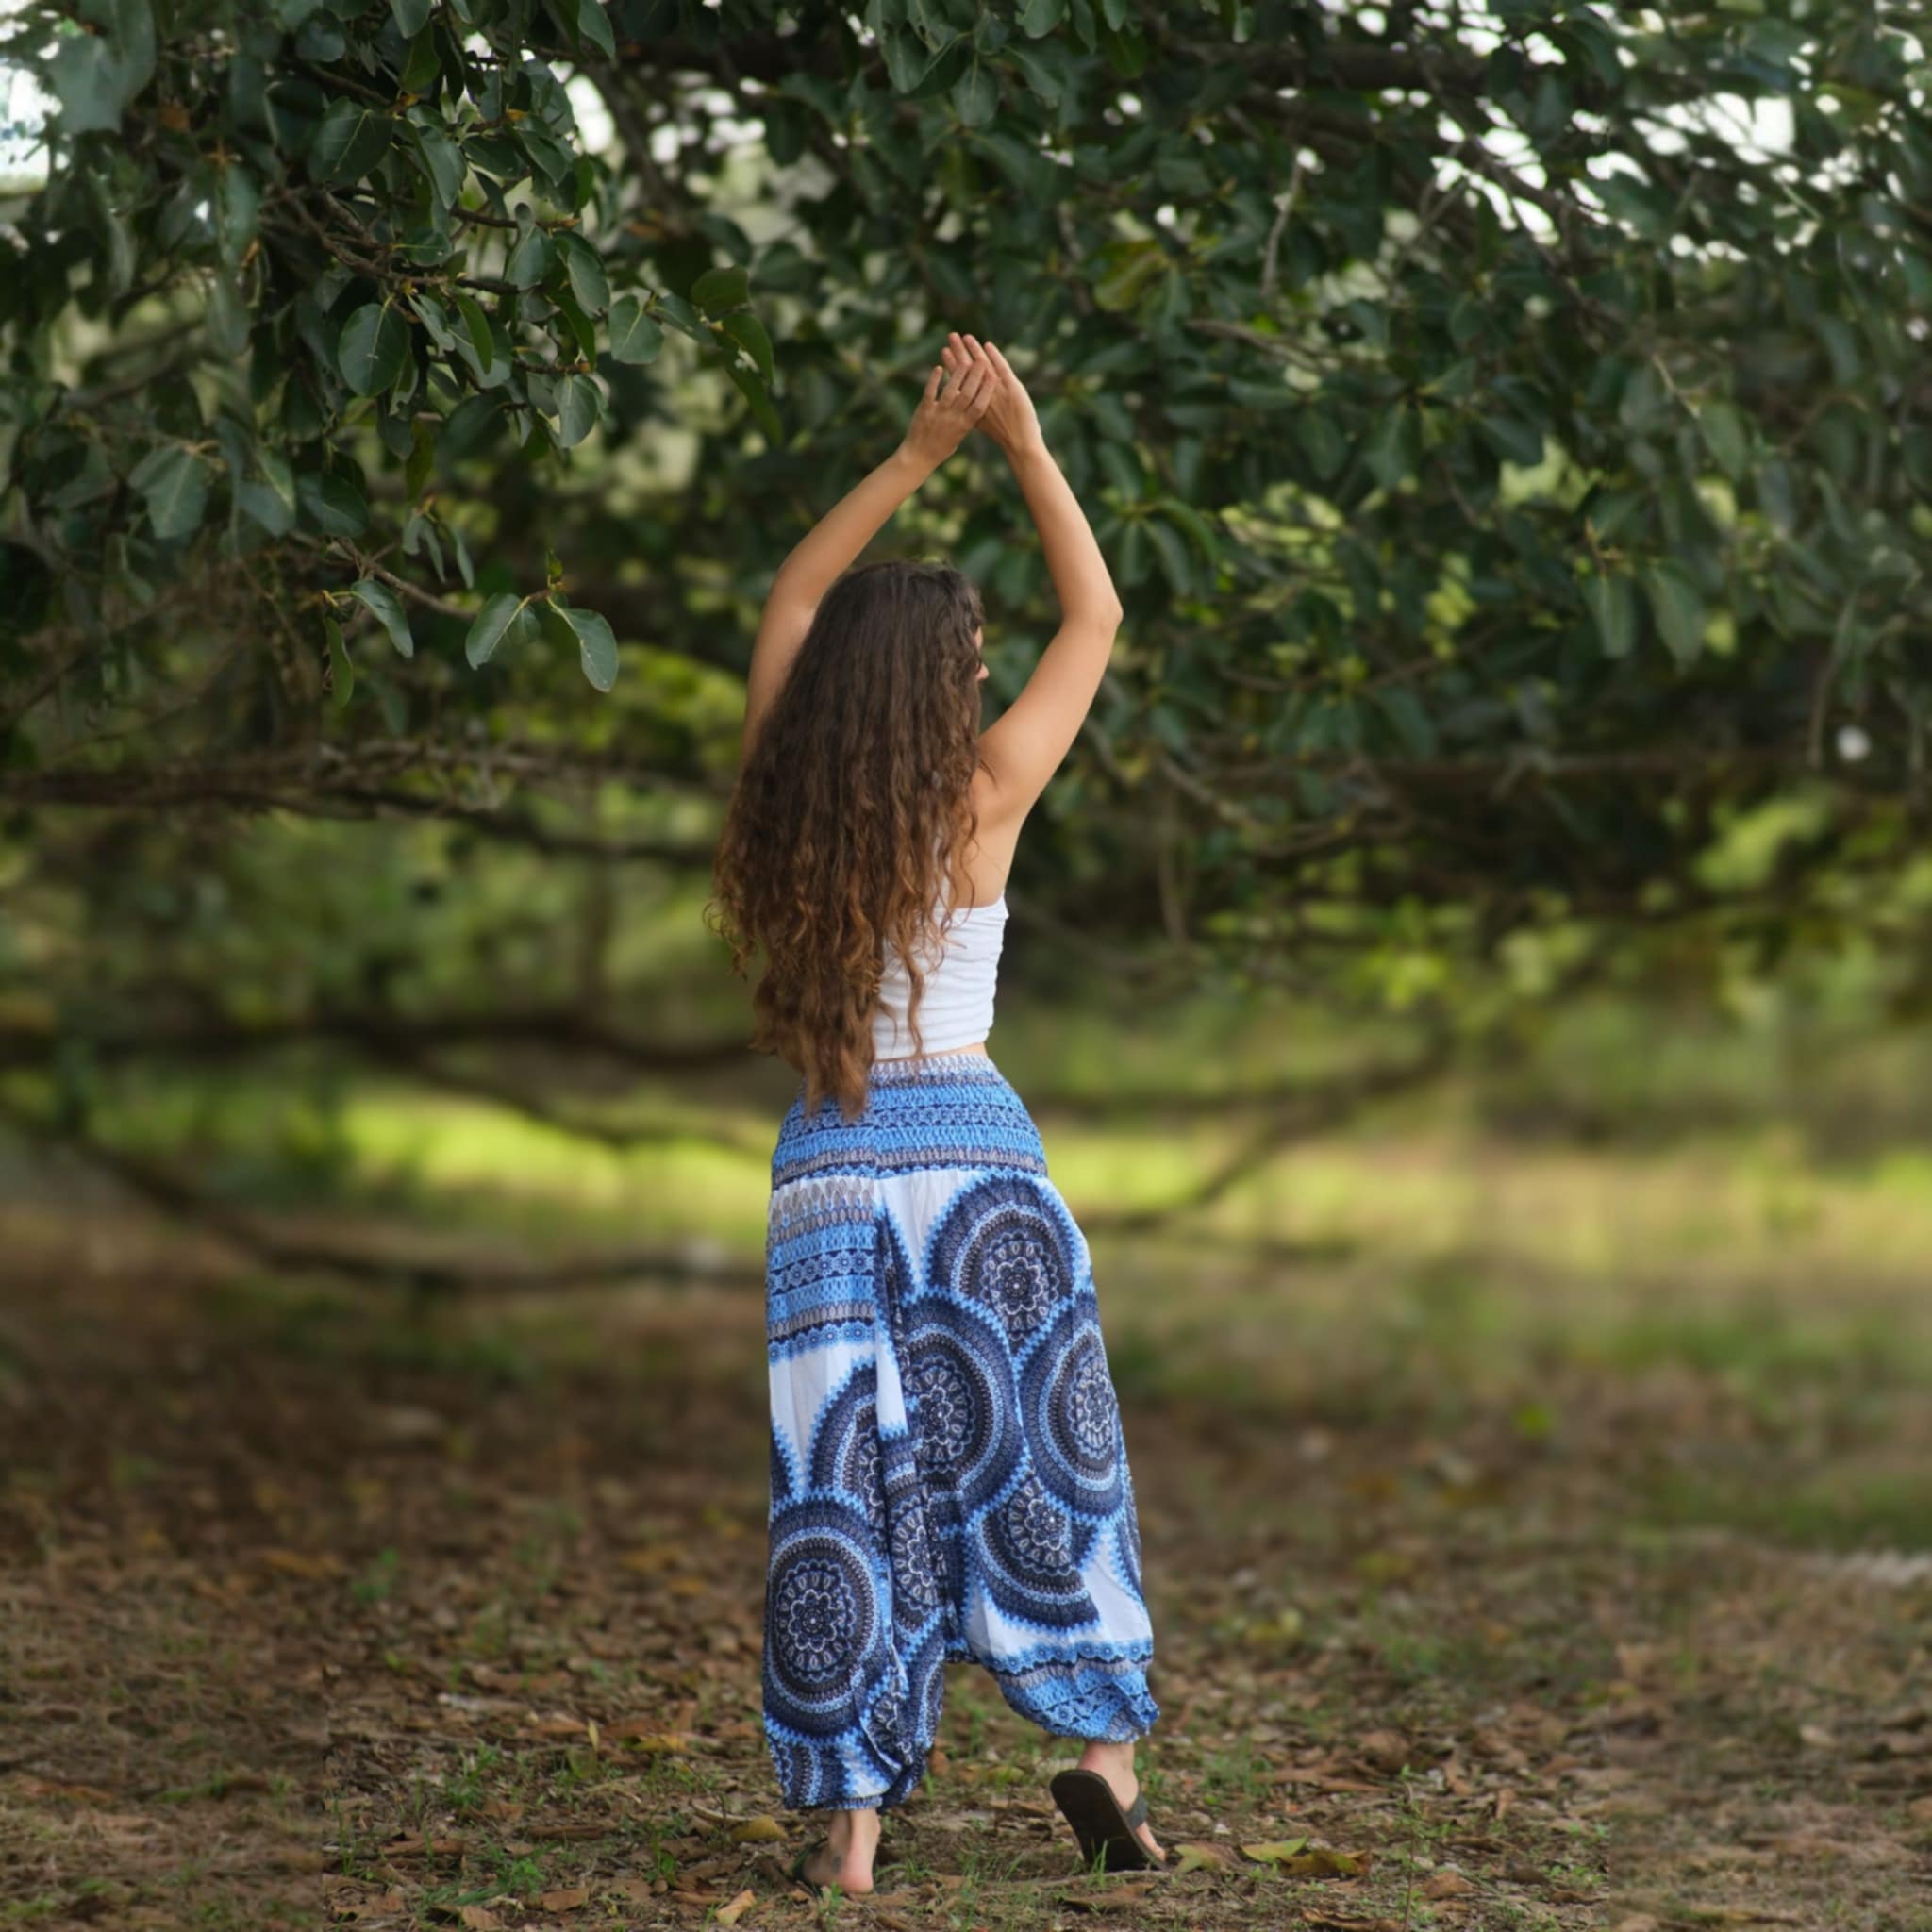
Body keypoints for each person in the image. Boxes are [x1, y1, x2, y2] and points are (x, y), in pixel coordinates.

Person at [708, 332, 1164, 1897]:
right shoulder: (984, 797)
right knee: (1047, 1461)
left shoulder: (784, 796)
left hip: (832, 1167)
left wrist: (913, 456)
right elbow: (1098, 616)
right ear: (944, 683)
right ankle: (1101, 1752)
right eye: (970, 659)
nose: (980, 675)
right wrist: (1020, 443)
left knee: (844, 1488)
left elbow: (792, 600)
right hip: (977, 1162)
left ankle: (852, 1830)